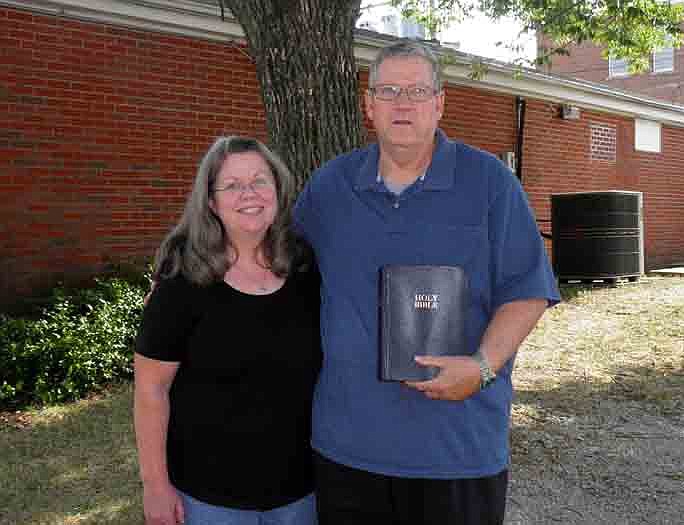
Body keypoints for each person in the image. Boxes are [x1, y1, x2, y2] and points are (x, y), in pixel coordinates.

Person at [293, 41, 561, 525]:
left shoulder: (491, 184)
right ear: (368, 104)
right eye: (388, 90)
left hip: (457, 450)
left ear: (439, 103)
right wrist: (189, 275)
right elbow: (274, 266)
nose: (403, 103)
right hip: (347, 449)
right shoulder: (330, 188)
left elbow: (528, 290)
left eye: (417, 90)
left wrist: (482, 366)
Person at [133, 136, 321, 525]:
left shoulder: (306, 268)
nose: (248, 194)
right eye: (232, 185)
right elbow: (151, 389)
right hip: (208, 498)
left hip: (301, 493)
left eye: (259, 181)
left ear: (279, 189)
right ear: (212, 203)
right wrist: (155, 485)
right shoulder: (182, 278)